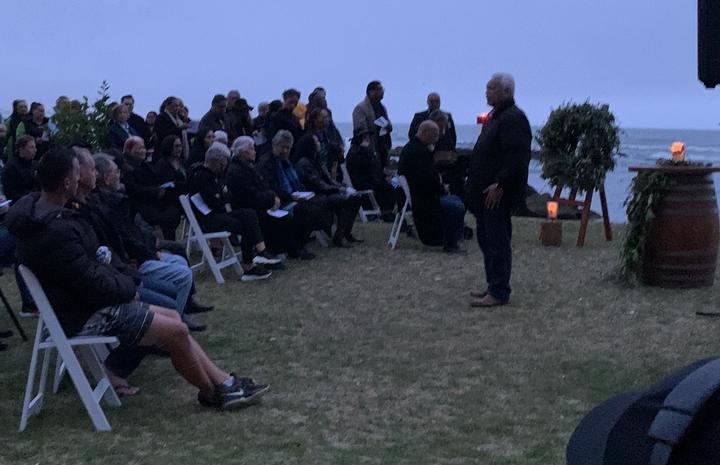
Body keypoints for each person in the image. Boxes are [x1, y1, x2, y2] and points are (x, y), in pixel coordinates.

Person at [5, 146, 268, 408]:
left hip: (89, 303)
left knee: (175, 317)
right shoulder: (55, 229)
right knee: (175, 330)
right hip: (84, 314)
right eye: (76, 173)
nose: (80, 178)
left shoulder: (46, 214)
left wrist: (124, 285)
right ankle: (215, 392)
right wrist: (129, 289)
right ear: (65, 182)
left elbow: (93, 270)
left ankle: (222, 383)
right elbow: (90, 278)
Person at [466, 73, 531, 307]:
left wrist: (500, 183)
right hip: (483, 190)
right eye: (487, 87)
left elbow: (517, 156)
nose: (487, 92)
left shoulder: (513, 118)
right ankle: (493, 284)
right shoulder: (495, 117)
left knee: (497, 240)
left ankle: (499, 291)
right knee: (485, 238)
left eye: (492, 88)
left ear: (506, 92)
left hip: (497, 192)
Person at [187, 143, 280, 281]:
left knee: (249, 214)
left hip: (218, 214)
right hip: (209, 219)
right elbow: (216, 200)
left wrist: (223, 198)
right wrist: (223, 198)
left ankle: (260, 252)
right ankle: (250, 264)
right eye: (223, 162)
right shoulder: (201, 176)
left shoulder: (212, 176)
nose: (224, 165)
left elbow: (225, 196)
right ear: (214, 160)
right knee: (246, 224)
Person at [227, 136, 316, 260]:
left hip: (265, 202)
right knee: (296, 212)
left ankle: (296, 247)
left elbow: (263, 186)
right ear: (244, 151)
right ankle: (289, 249)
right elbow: (251, 194)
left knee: (310, 207)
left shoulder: (248, 167)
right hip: (250, 208)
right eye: (252, 149)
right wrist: (272, 200)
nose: (255, 152)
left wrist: (273, 197)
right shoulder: (238, 171)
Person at [398, 120, 465, 253]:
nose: (437, 138)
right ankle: (450, 243)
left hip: (423, 194)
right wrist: (442, 189)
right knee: (456, 206)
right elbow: (426, 180)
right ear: (424, 132)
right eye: (434, 135)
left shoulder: (414, 148)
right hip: (424, 199)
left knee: (456, 200)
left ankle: (455, 237)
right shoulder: (418, 152)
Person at [257, 130, 332, 246]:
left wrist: (303, 193)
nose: (285, 151)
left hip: (293, 195)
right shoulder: (266, 163)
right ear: (274, 145)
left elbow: (296, 182)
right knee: (305, 210)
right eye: (282, 147)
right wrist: (290, 196)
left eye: (288, 148)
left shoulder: (286, 161)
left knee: (321, 203)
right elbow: (270, 186)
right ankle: (298, 245)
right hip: (279, 199)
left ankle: (303, 240)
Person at [294, 124, 364, 248]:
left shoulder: (317, 160)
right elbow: (318, 184)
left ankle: (345, 233)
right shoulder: (304, 163)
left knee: (356, 197)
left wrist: (342, 187)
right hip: (315, 195)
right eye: (316, 142)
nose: (319, 144)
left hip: (325, 191)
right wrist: (339, 189)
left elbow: (329, 180)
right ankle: (339, 236)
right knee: (344, 199)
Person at [120, 136, 182, 240]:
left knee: (173, 211)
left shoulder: (146, 166)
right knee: (166, 216)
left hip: (153, 199)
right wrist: (155, 191)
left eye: (144, 148)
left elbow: (155, 180)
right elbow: (133, 188)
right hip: (140, 204)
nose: (143, 151)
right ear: (129, 150)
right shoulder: (127, 168)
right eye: (139, 148)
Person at [345, 128, 398, 220]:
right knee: (387, 188)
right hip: (362, 182)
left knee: (391, 186)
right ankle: (386, 213)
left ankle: (387, 212)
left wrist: (385, 176)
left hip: (369, 180)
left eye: (368, 136)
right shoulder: (356, 152)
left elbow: (374, 169)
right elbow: (365, 170)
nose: (368, 139)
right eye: (365, 137)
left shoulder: (364, 150)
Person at [352, 81, 392, 168]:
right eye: (379, 89)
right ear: (371, 92)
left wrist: (388, 126)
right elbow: (361, 131)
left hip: (383, 146)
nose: (382, 92)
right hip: (370, 149)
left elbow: (389, 125)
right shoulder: (361, 108)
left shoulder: (382, 107)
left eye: (382, 89)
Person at [3, 136, 39, 202]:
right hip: (19, 202)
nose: (35, 150)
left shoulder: (36, 165)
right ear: (21, 149)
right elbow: (10, 192)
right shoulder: (11, 166)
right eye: (31, 147)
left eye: (35, 147)